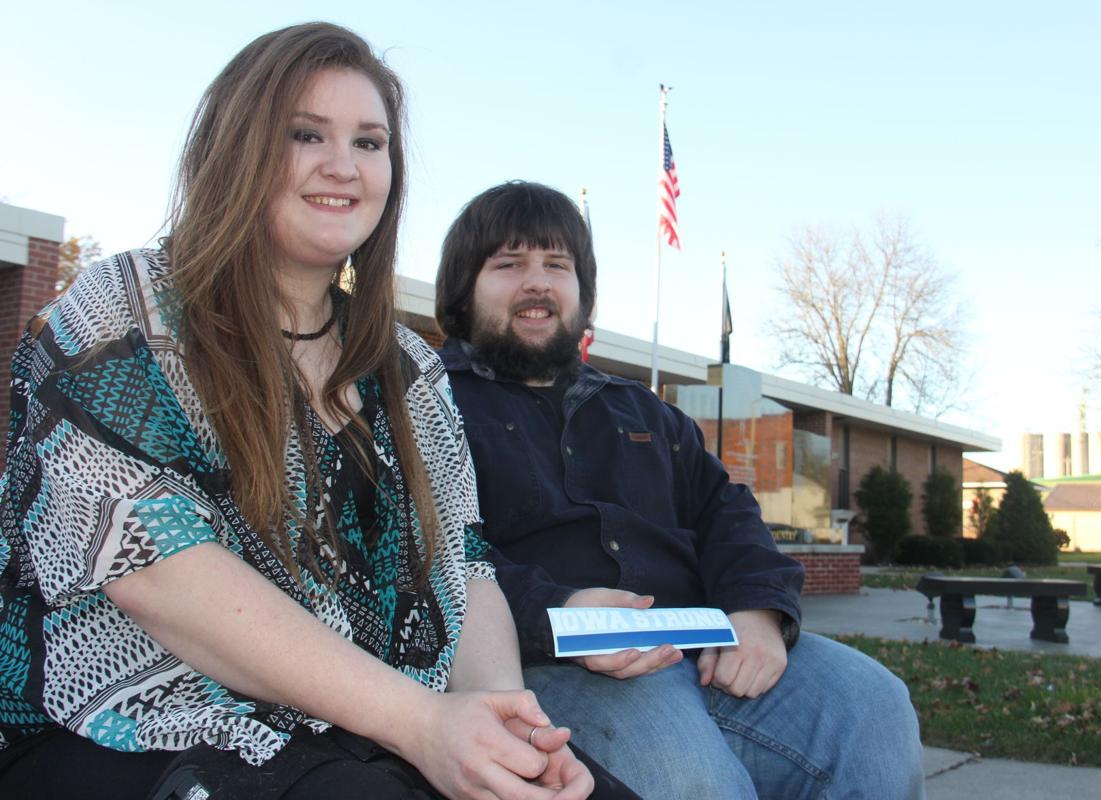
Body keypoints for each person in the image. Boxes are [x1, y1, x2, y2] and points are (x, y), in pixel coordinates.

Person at [0, 24, 637, 800]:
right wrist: (419, 723)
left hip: (366, 729)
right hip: (130, 729)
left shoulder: (408, 368)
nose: (344, 165)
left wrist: (506, 729)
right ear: (236, 147)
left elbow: (464, 571)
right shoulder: (121, 311)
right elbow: (156, 570)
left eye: (369, 142)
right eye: (306, 134)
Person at [435, 181, 927, 799]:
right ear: (463, 290)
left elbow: (727, 511)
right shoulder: (427, 404)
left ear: (582, 291)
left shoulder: (643, 411)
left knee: (872, 706)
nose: (538, 283)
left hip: (702, 647)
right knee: (689, 776)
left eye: (557, 266)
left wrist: (759, 610)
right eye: (509, 264)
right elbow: (431, 554)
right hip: (548, 667)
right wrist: (560, 611)